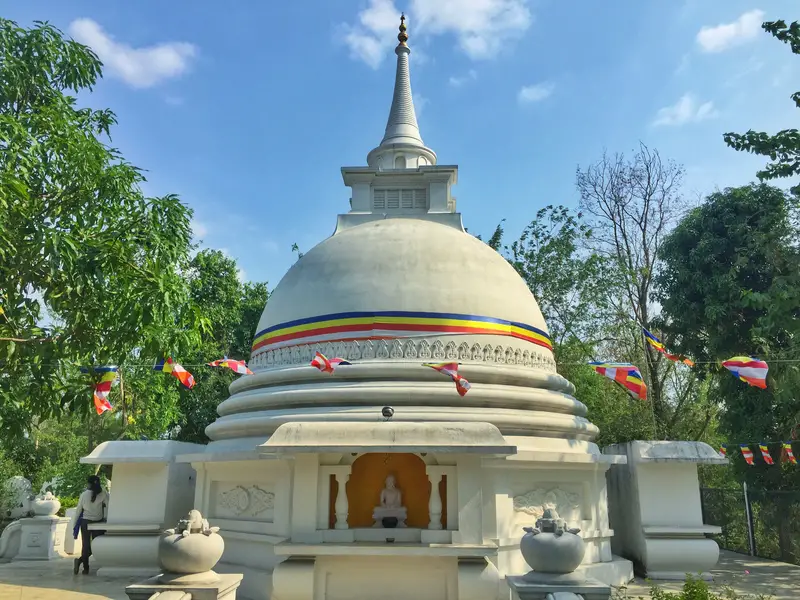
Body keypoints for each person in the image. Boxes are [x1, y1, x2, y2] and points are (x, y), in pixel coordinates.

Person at [70, 474, 108, 574]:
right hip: (98, 522)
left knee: (85, 545)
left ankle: (85, 567)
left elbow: (78, 510)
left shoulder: (84, 494)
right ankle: (80, 561)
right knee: (96, 546)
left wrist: (74, 524)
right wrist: (106, 519)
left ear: (89, 483)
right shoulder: (103, 493)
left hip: (85, 522)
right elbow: (108, 507)